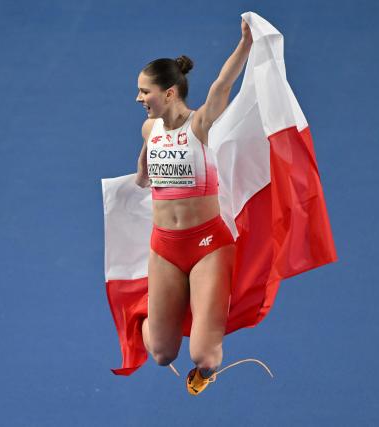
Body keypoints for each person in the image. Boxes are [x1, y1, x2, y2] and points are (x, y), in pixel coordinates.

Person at [134, 19, 252, 395]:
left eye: (144, 92)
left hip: (207, 247)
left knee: (205, 355)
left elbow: (222, 85)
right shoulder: (149, 130)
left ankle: (206, 367)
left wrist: (246, 43)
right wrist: (142, 176)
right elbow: (143, 172)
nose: (138, 99)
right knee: (161, 353)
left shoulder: (200, 125)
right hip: (164, 247)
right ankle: (141, 313)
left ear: (169, 93)